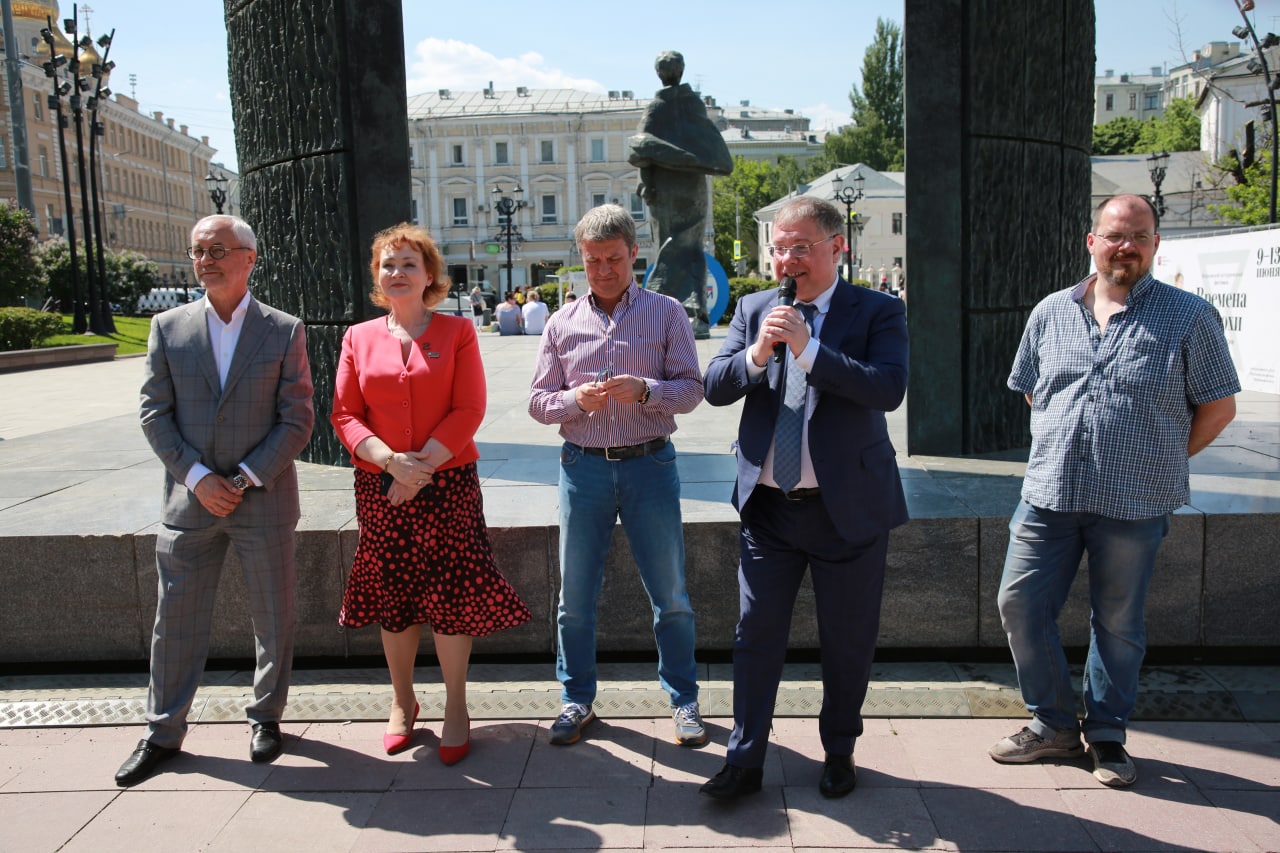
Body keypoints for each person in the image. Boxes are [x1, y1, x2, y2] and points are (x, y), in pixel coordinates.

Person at [990, 193, 1239, 788]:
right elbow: (1033, 392)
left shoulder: (1189, 316)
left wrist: (1158, 456)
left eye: (1140, 236)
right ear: (1091, 242)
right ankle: (1051, 724)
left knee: (1119, 622)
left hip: (1136, 503)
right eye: (1115, 235)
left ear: (1155, 244)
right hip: (1049, 492)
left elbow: (1219, 408)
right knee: (1019, 604)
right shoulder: (1050, 312)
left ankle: (1107, 733)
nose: (1125, 246)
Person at [700, 196, 909, 801]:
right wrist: (760, 353)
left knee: (847, 640)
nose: (787, 259)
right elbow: (714, 388)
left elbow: (888, 388)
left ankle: (839, 750)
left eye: (801, 247)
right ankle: (744, 760)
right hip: (768, 509)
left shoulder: (878, 310)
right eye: (780, 247)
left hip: (846, 511)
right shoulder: (753, 308)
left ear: (836, 247)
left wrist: (810, 351)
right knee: (754, 635)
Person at [116, 214, 315, 786]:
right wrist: (199, 477)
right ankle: (161, 733)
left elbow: (297, 417)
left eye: (218, 250)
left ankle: (267, 719)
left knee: (273, 618)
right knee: (173, 621)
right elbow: (154, 412)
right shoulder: (167, 326)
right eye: (198, 250)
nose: (205, 259)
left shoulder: (283, 329)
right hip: (189, 501)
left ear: (249, 258)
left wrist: (248, 476)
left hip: (263, 498)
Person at [331, 223, 531, 762]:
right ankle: (402, 702)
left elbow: (468, 409)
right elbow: (345, 415)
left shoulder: (457, 333)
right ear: (377, 276)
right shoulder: (358, 337)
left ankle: (456, 707)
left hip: (449, 484)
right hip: (379, 485)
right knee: (393, 593)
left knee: (450, 595)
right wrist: (392, 464)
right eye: (387, 265)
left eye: (408, 265)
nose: (397, 273)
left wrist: (417, 471)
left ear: (429, 276)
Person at [528, 203, 706, 748]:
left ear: (634, 253)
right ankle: (576, 699)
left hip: (650, 464)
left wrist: (647, 391)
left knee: (670, 593)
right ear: (581, 259)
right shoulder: (562, 322)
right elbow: (538, 402)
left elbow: (693, 389)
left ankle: (684, 701)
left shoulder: (667, 313)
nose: (603, 270)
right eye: (592, 260)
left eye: (613, 258)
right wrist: (574, 401)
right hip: (583, 469)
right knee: (574, 598)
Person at [628, 50, 733, 339]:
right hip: (690, 187)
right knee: (690, 248)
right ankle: (695, 314)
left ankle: (654, 312)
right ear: (682, 70)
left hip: (665, 189)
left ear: (659, 73)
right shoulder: (693, 104)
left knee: (671, 246)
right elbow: (642, 149)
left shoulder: (657, 107)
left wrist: (647, 181)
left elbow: (640, 150)